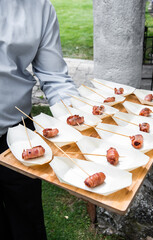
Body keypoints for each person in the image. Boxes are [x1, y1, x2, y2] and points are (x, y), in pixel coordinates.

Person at [0, 0, 79, 239]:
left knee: (27, 220)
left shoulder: (40, 7)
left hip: (19, 135)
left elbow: (54, 77)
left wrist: (77, 116)